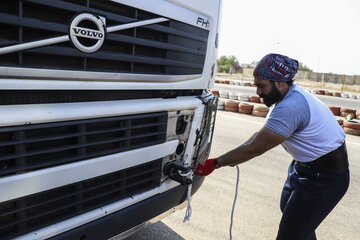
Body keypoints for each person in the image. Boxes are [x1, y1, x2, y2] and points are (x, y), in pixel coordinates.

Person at [196, 53, 350, 240]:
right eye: (256, 86)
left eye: (262, 86)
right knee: (295, 221)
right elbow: (258, 138)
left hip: (324, 178)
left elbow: (255, 148)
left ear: (280, 83)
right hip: (303, 169)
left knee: (290, 233)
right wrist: (219, 161)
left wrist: (216, 163)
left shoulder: (291, 107)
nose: (258, 92)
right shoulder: (285, 97)